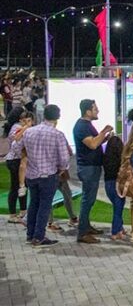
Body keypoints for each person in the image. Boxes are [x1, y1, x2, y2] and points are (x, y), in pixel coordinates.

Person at [17, 105, 70, 247]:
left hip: (32, 175)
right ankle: (39, 236)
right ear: (57, 117)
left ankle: (31, 234)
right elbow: (64, 159)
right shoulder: (57, 134)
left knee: (33, 204)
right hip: (48, 175)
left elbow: (19, 148)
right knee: (44, 206)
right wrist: (62, 169)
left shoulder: (29, 132)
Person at [73, 99, 114, 244]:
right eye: (95, 109)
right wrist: (104, 132)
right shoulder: (81, 127)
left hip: (92, 166)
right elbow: (92, 144)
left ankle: (86, 226)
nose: (98, 111)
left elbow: (95, 142)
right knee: (87, 200)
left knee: (89, 199)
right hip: (88, 168)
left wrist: (104, 138)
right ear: (87, 111)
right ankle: (82, 232)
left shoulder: (87, 125)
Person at [4, 107, 31, 224]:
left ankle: (23, 212)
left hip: (17, 160)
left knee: (22, 186)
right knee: (16, 187)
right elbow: (16, 141)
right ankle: (12, 214)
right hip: (15, 161)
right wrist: (26, 127)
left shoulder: (18, 126)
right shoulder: (17, 127)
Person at [103, 135, 126, 241]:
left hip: (108, 184)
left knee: (117, 207)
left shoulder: (105, 158)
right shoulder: (121, 160)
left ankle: (120, 228)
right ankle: (115, 231)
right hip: (118, 184)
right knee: (118, 209)